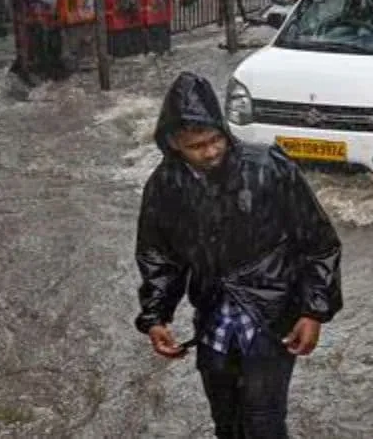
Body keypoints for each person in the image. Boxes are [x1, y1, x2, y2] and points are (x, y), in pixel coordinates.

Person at [135, 72, 343, 438]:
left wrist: (313, 311)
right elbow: (159, 256)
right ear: (173, 143)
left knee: (264, 422)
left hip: (271, 316)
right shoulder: (166, 185)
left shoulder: (268, 167)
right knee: (226, 423)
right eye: (198, 145)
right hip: (213, 318)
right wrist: (156, 317)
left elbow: (318, 242)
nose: (212, 151)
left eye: (216, 139)